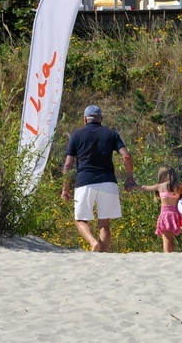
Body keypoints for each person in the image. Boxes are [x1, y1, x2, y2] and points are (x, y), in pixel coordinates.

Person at [61, 105, 134, 252]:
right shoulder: (111, 134)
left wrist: (65, 188)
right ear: (101, 119)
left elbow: (68, 165)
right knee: (104, 224)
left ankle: (93, 241)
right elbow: (126, 156)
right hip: (108, 181)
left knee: (80, 220)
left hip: (85, 181)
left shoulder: (76, 135)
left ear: (85, 119)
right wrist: (129, 177)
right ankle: (102, 257)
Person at [132, 164, 182, 253]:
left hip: (165, 215)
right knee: (171, 238)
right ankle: (172, 254)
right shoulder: (179, 187)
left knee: (166, 238)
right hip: (175, 216)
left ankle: (166, 255)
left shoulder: (160, 186)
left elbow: (145, 188)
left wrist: (134, 186)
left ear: (161, 175)